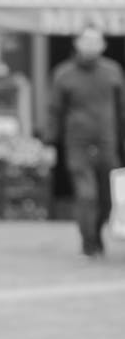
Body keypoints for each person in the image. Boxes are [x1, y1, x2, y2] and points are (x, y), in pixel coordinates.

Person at [46, 25, 125, 256]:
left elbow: (122, 109)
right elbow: (54, 111)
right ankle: (88, 242)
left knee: (105, 197)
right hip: (77, 142)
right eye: (86, 41)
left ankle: (98, 235)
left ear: (103, 45)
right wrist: (51, 142)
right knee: (86, 194)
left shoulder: (112, 71)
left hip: (107, 141)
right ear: (76, 43)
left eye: (95, 41)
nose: (90, 46)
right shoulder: (64, 74)